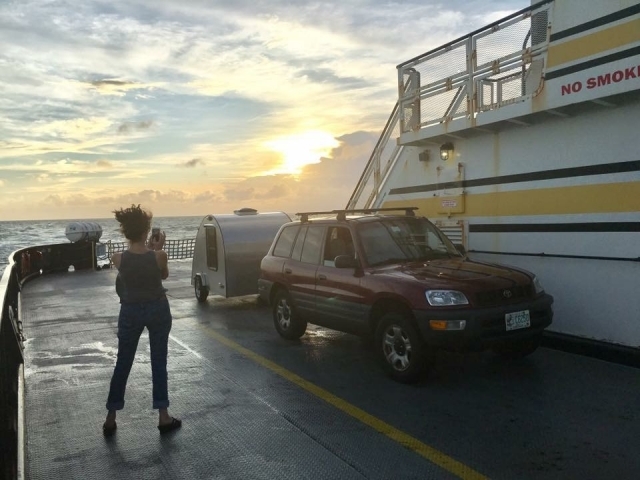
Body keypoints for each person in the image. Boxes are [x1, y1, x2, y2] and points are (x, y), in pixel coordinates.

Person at [103, 204, 181, 436]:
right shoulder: (160, 256)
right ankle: (163, 416)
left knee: (123, 363)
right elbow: (163, 274)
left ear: (125, 231)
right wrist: (156, 249)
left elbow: (132, 270)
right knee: (159, 362)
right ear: (147, 231)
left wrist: (148, 248)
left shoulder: (118, 258)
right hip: (157, 308)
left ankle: (110, 418)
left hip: (130, 311)